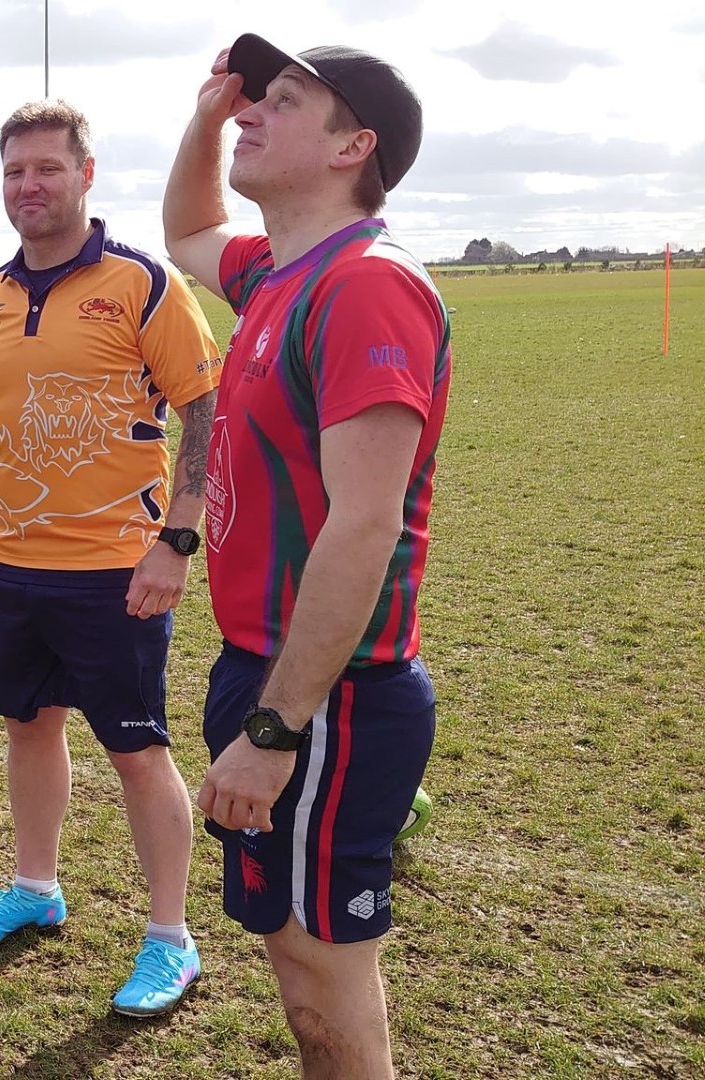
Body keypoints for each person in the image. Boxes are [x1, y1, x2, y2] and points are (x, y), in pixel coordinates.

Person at [162, 34, 451, 1077]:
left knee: (325, 993)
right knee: (299, 969)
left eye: (283, 101)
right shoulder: (279, 273)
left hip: (329, 701)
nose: (253, 112)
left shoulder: (365, 285)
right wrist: (207, 118)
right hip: (268, 673)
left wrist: (276, 728)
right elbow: (188, 229)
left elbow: (365, 526)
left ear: (352, 147)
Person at [0, 100, 221, 1017]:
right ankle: (36, 888)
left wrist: (177, 540)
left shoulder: (143, 283)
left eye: (47, 167)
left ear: (86, 174)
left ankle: (171, 938)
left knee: (136, 750)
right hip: (11, 565)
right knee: (29, 728)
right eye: (14, 171)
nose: (28, 185)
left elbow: (208, 413)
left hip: (118, 569)